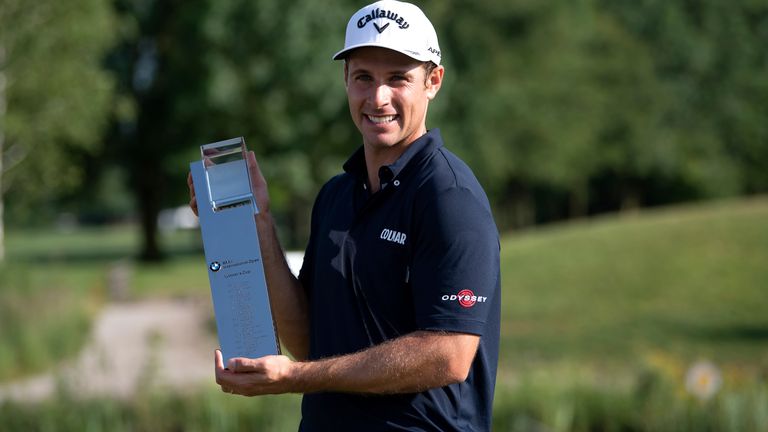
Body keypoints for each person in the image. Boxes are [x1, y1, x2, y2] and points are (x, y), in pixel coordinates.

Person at [188, 1, 500, 430]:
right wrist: (258, 224)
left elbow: (449, 355)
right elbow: (308, 341)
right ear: (345, 81)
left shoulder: (448, 196)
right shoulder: (336, 196)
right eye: (363, 77)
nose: (378, 97)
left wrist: (296, 378)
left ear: (433, 82)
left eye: (398, 78)